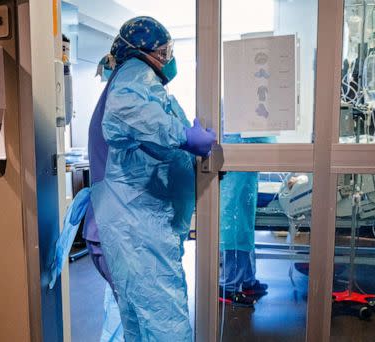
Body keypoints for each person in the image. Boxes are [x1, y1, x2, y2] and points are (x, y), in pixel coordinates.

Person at [84, 16, 215, 341]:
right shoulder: (134, 74)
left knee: (139, 327)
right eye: (165, 51)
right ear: (146, 51)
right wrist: (185, 137)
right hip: (133, 231)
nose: (169, 58)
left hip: (129, 228)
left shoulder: (129, 78)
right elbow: (125, 115)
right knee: (164, 326)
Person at [219, 134, 272, 307]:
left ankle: (247, 280)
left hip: (244, 174)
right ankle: (228, 287)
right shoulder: (239, 123)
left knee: (244, 230)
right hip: (236, 171)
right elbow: (263, 138)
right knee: (235, 230)